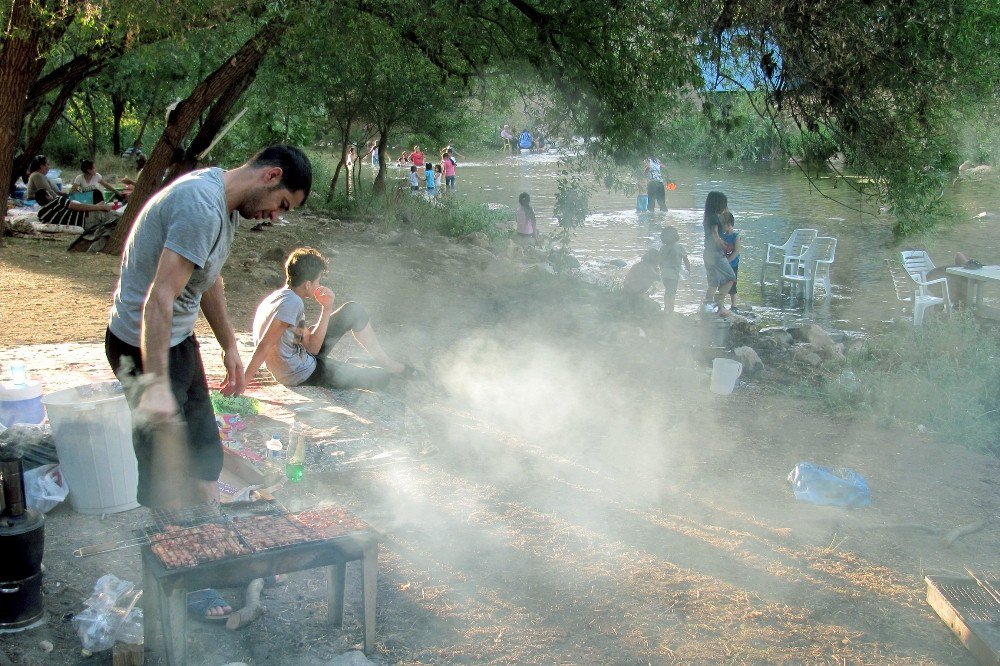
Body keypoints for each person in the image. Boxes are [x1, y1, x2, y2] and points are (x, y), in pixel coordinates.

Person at [245, 248, 412, 393]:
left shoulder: (282, 296)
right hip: (300, 374)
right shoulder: (293, 303)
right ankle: (386, 369)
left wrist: (316, 323)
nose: (319, 285)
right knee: (379, 378)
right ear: (308, 284)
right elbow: (268, 344)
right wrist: (243, 381)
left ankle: (386, 362)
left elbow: (301, 342)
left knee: (352, 310)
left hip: (299, 359)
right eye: (318, 281)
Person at [26, 154, 114, 228]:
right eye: (47, 165)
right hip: (87, 219)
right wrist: (99, 207)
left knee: (97, 198)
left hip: (84, 218)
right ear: (41, 166)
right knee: (111, 214)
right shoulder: (38, 176)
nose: (49, 167)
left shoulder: (42, 214)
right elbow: (76, 206)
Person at [702, 191, 736, 316]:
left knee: (713, 283)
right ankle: (719, 305)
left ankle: (707, 309)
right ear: (719, 204)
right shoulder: (716, 217)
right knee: (731, 278)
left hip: (707, 253)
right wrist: (723, 245)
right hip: (716, 254)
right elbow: (715, 233)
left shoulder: (707, 217)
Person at [658, 226, 690, 314]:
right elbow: (686, 260)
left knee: (667, 291)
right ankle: (670, 310)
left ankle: (666, 308)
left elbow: (659, 261)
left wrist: (661, 270)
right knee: (671, 292)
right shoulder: (679, 247)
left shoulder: (662, 248)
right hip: (673, 275)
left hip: (664, 274)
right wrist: (688, 270)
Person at [622, 250, 663, 315]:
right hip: (635, 291)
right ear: (655, 259)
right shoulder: (649, 267)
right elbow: (658, 278)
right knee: (656, 307)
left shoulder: (639, 265)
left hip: (628, 288)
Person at [720, 212, 741, 311]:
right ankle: (721, 303)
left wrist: (728, 260)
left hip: (733, 264)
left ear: (729, 225)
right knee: (722, 284)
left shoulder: (736, 236)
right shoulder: (722, 236)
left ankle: (734, 305)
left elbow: (737, 251)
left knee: (732, 285)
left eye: (723, 225)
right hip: (723, 265)